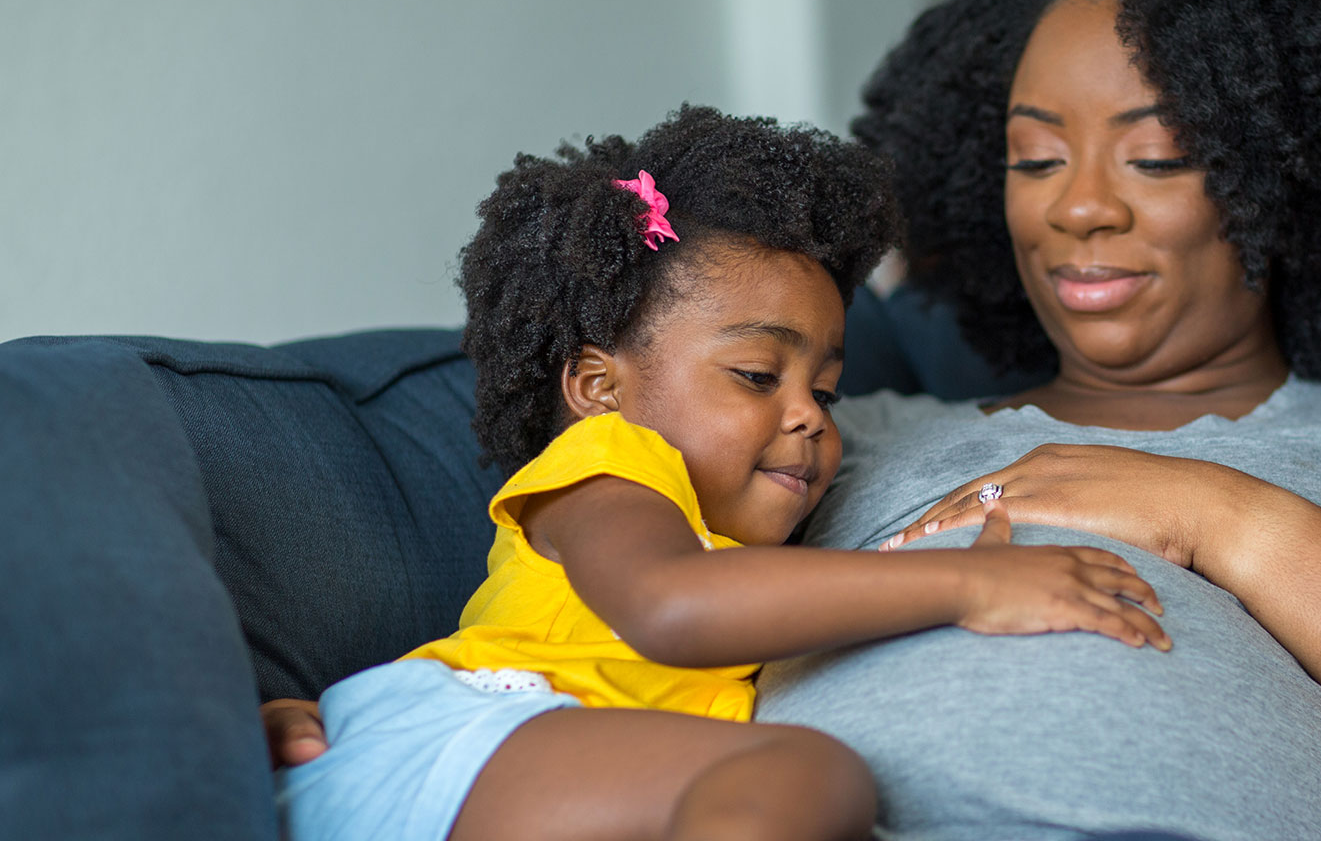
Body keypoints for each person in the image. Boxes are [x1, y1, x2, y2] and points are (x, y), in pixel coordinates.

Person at [272, 0, 1321, 841]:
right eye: (1030, 156)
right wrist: (366, 730)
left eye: (1160, 155)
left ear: (1299, 173)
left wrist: (1213, 514)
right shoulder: (817, 427)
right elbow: (607, 616)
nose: (1077, 205)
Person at [270, 105, 1170, 841]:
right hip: (460, 735)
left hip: (533, 770)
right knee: (796, 774)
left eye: (826, 387)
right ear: (598, 387)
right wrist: (967, 581)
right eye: (755, 375)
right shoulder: (610, 467)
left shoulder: (737, 540)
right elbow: (673, 604)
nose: (811, 414)